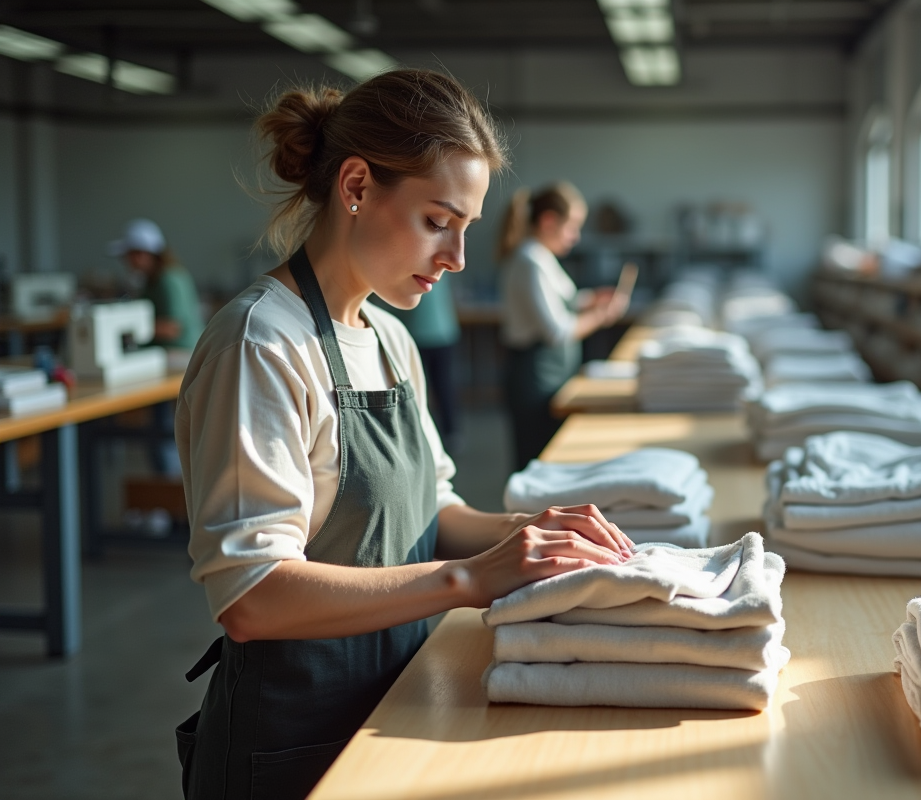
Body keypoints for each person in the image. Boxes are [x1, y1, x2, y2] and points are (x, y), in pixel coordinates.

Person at [174, 70, 634, 800]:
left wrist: (530, 536)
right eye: (437, 220)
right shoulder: (261, 343)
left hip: (393, 707)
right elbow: (252, 595)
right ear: (356, 186)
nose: (455, 258)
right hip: (291, 745)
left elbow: (432, 510)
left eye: (466, 229)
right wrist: (470, 580)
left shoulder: (389, 339)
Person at [497, 183, 630, 468]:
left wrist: (592, 300)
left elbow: (563, 301)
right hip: (534, 377)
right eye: (572, 227)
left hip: (549, 374)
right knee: (537, 458)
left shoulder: (542, 257)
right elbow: (558, 330)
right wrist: (601, 316)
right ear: (548, 221)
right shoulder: (529, 260)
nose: (575, 236)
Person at [371, 273, 463, 453]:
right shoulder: (437, 271)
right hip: (440, 332)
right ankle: (449, 432)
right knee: (441, 386)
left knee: (420, 388)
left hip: (420, 333)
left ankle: (425, 434)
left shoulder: (414, 271)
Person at [108, 218, 204, 349]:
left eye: (129, 255)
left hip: (181, 353)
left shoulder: (170, 279)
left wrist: (124, 326)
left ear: (142, 254)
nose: (126, 262)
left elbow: (173, 328)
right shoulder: (151, 280)